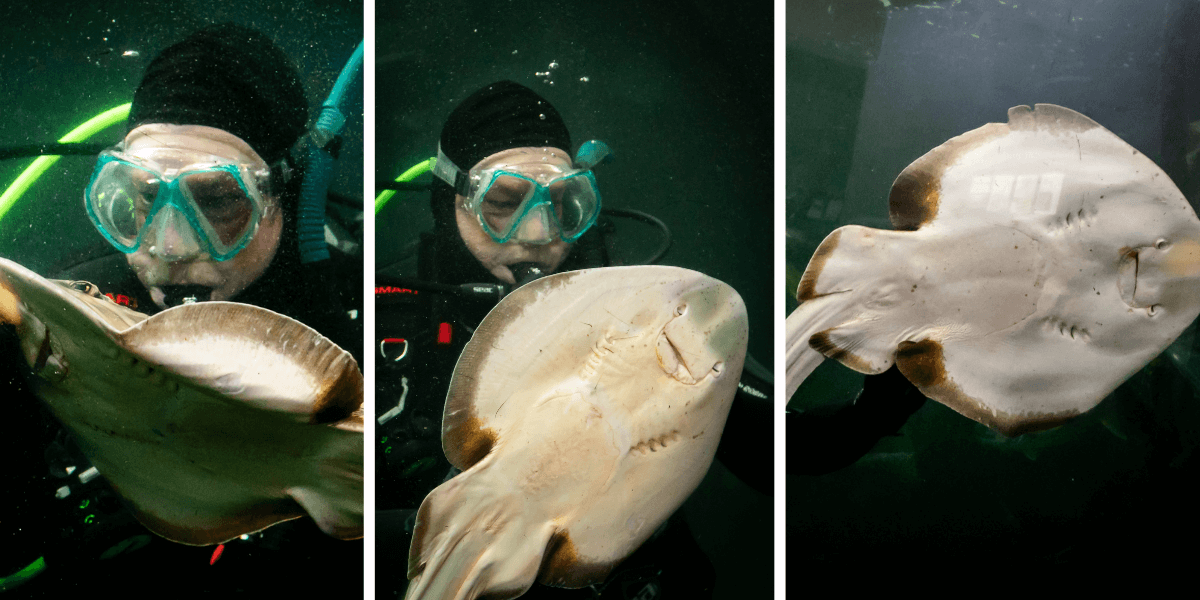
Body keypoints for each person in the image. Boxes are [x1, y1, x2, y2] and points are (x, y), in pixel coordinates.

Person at [1, 23, 362, 593]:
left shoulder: (351, 306)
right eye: (146, 195)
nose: (167, 248)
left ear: (281, 196)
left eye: (217, 201)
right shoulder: (64, 305)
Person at [375, 81, 770, 599]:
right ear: (448, 200)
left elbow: (783, 453)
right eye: (502, 201)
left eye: (564, 204)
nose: (541, 233)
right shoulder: (385, 314)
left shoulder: (642, 317)